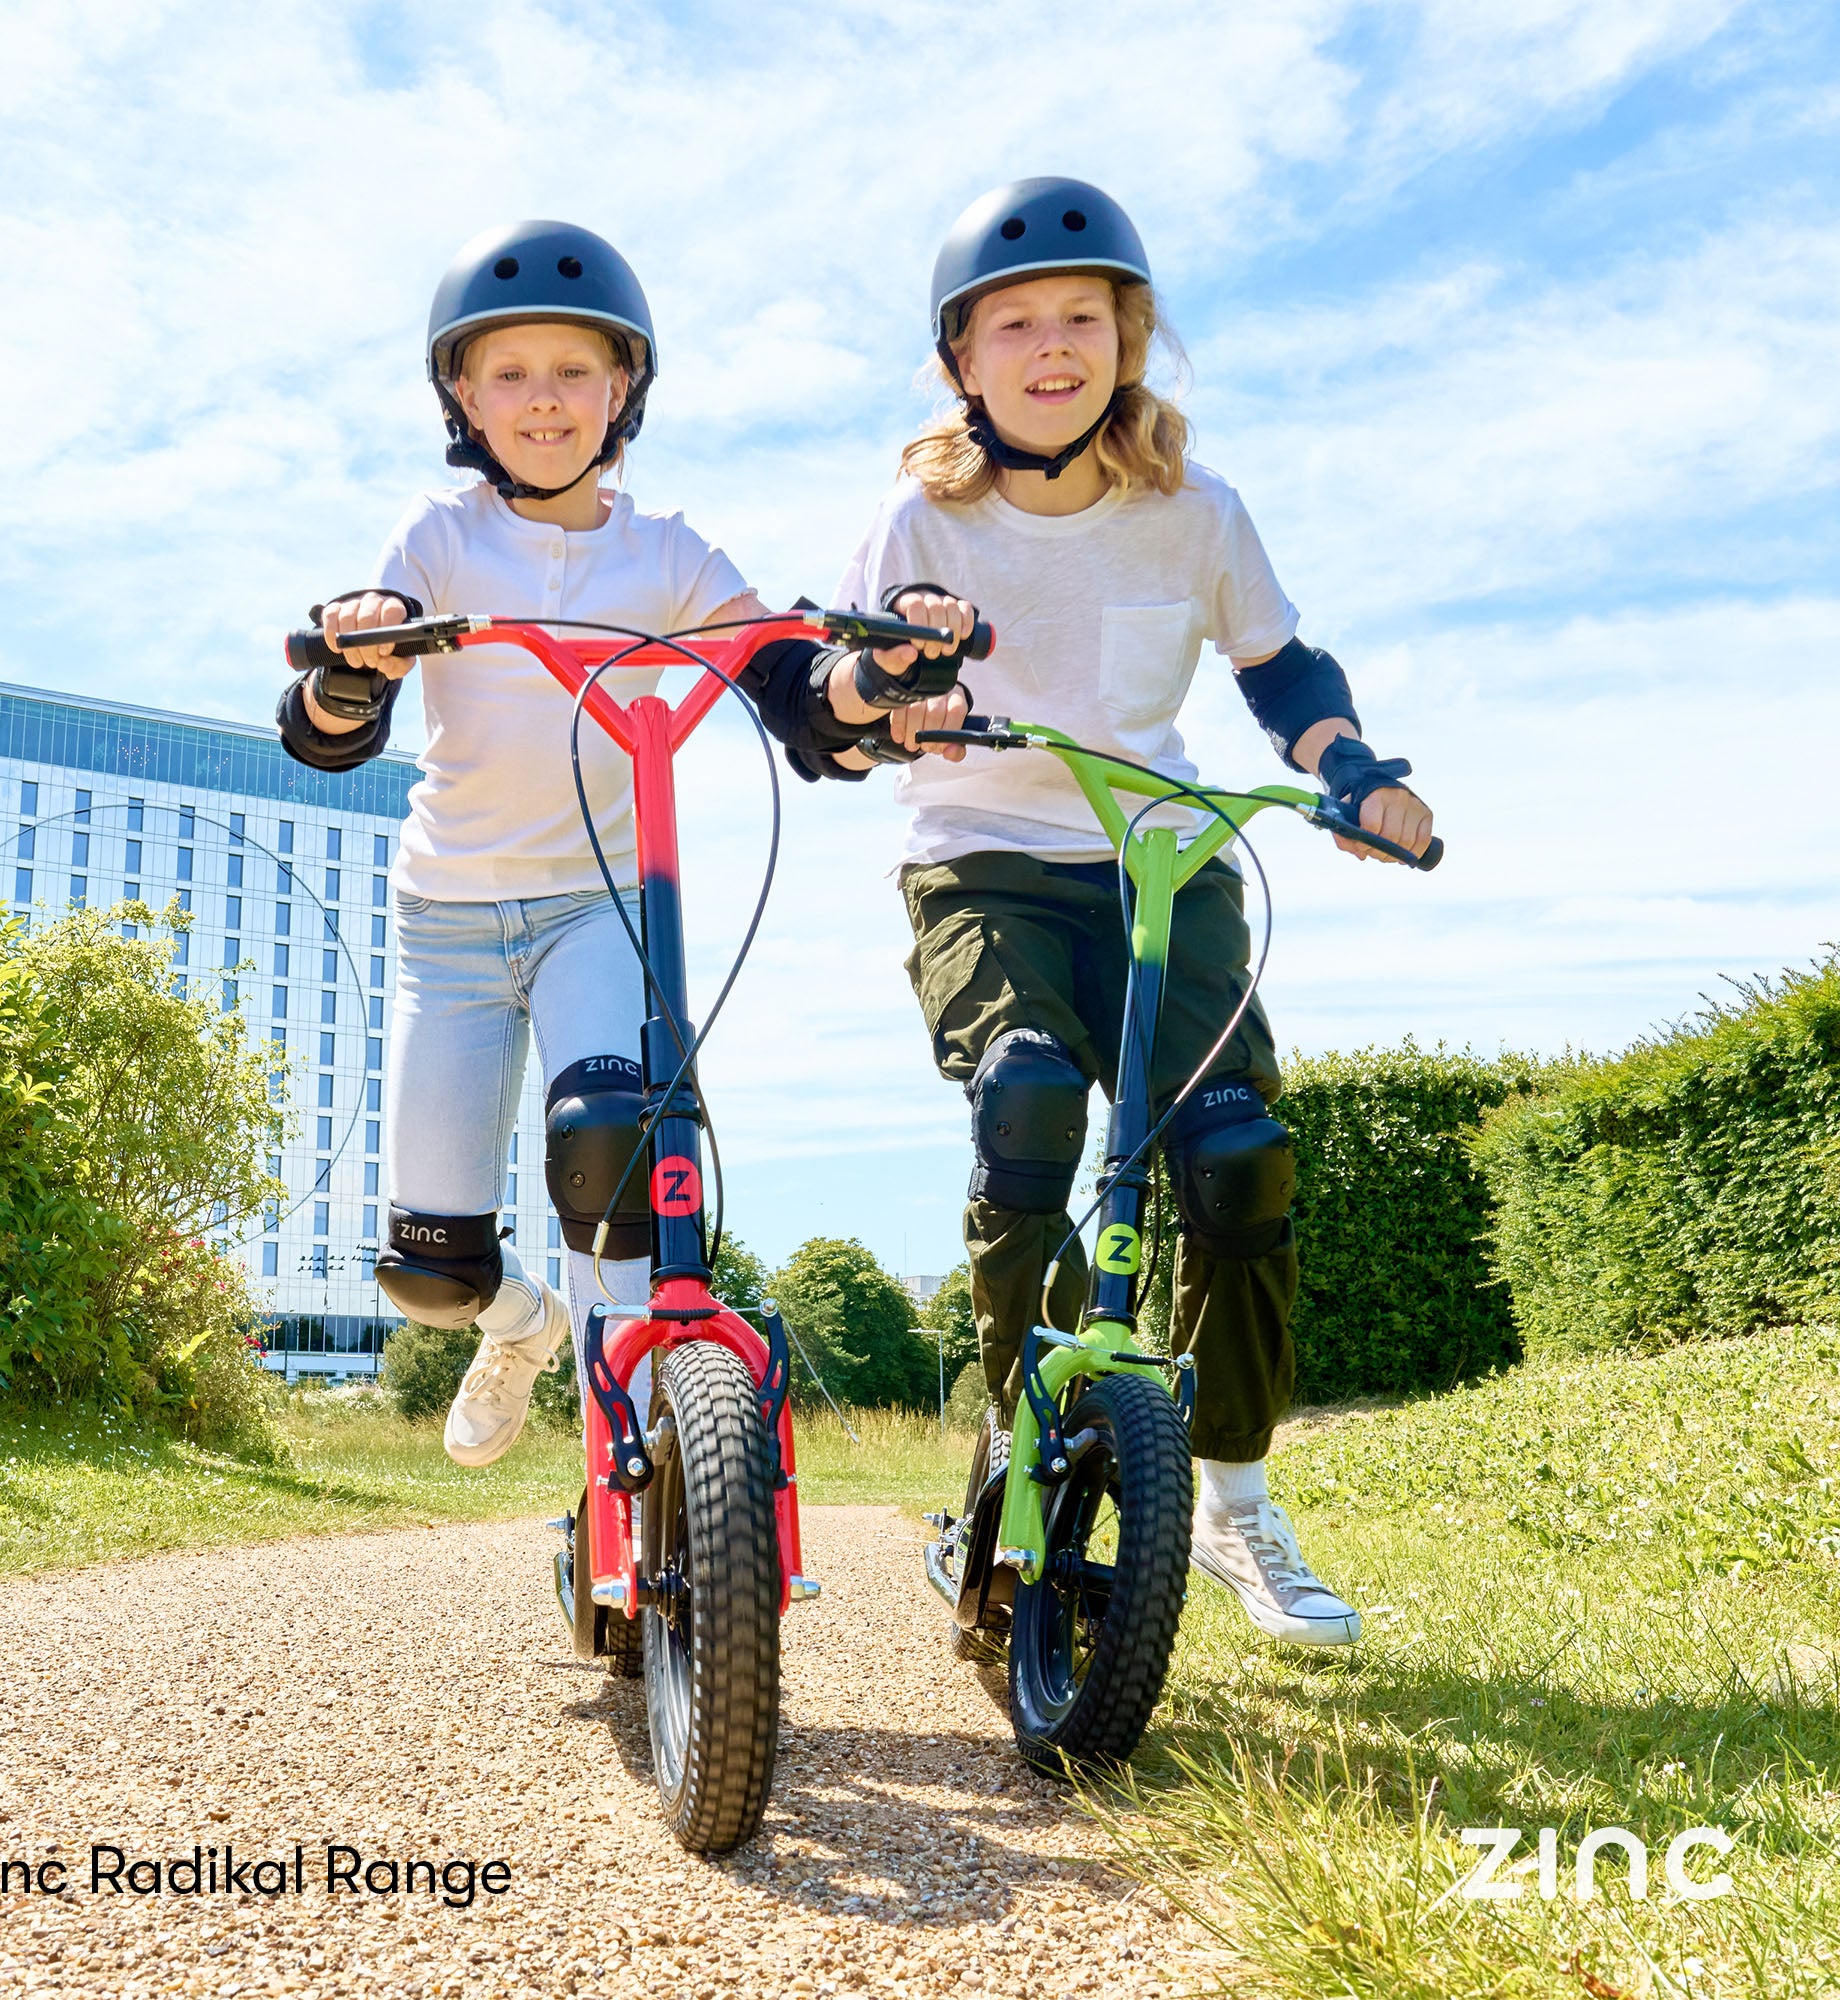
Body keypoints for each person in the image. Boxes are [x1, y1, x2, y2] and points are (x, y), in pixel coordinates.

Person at [805, 177, 1436, 1648]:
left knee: (1238, 1158)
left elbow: (1279, 670)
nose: (1049, 348)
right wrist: (898, 703)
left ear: (1127, 338)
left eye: (1079, 319)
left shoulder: (1193, 511)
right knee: (1026, 1103)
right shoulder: (920, 518)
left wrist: (1354, 773)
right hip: (983, 860)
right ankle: (1032, 1427)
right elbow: (842, 705)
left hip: (1162, 857)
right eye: (1012, 324)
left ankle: (1230, 1498)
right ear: (963, 361)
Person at [276, 220, 955, 1469]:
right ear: (463, 398)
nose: (544, 399)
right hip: (450, 917)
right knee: (428, 1267)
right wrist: (351, 658)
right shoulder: (437, 539)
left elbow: (795, 681)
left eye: (573, 370)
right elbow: (341, 709)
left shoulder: (669, 556)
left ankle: (638, 1473)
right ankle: (517, 1323)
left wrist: (873, 681)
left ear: (622, 389)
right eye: (511, 372)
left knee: (611, 1171)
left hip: (599, 907)